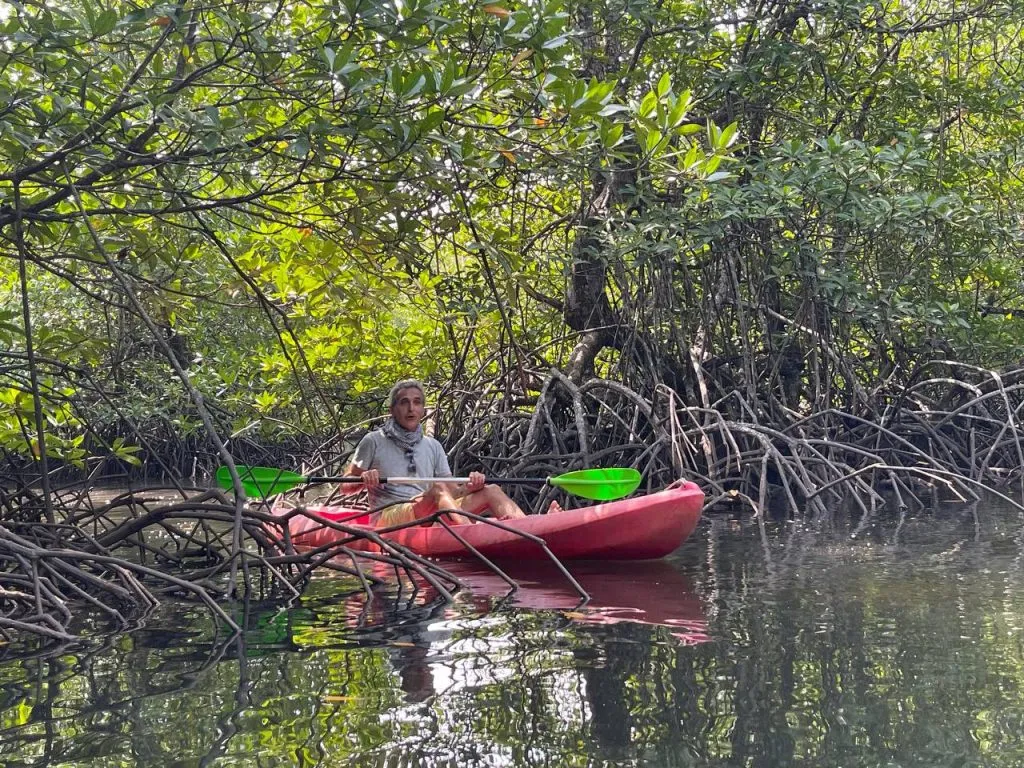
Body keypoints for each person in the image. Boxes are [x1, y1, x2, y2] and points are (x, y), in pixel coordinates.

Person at [347, 379, 541, 527]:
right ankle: (469, 533)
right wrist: (363, 478)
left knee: (492, 490)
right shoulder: (373, 440)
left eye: (416, 402)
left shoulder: (433, 446)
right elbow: (344, 487)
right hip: (389, 516)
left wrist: (472, 487)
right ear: (392, 409)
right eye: (404, 403)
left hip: (429, 509)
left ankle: (527, 527)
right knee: (438, 488)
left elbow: (453, 491)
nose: (411, 408)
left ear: (423, 409)